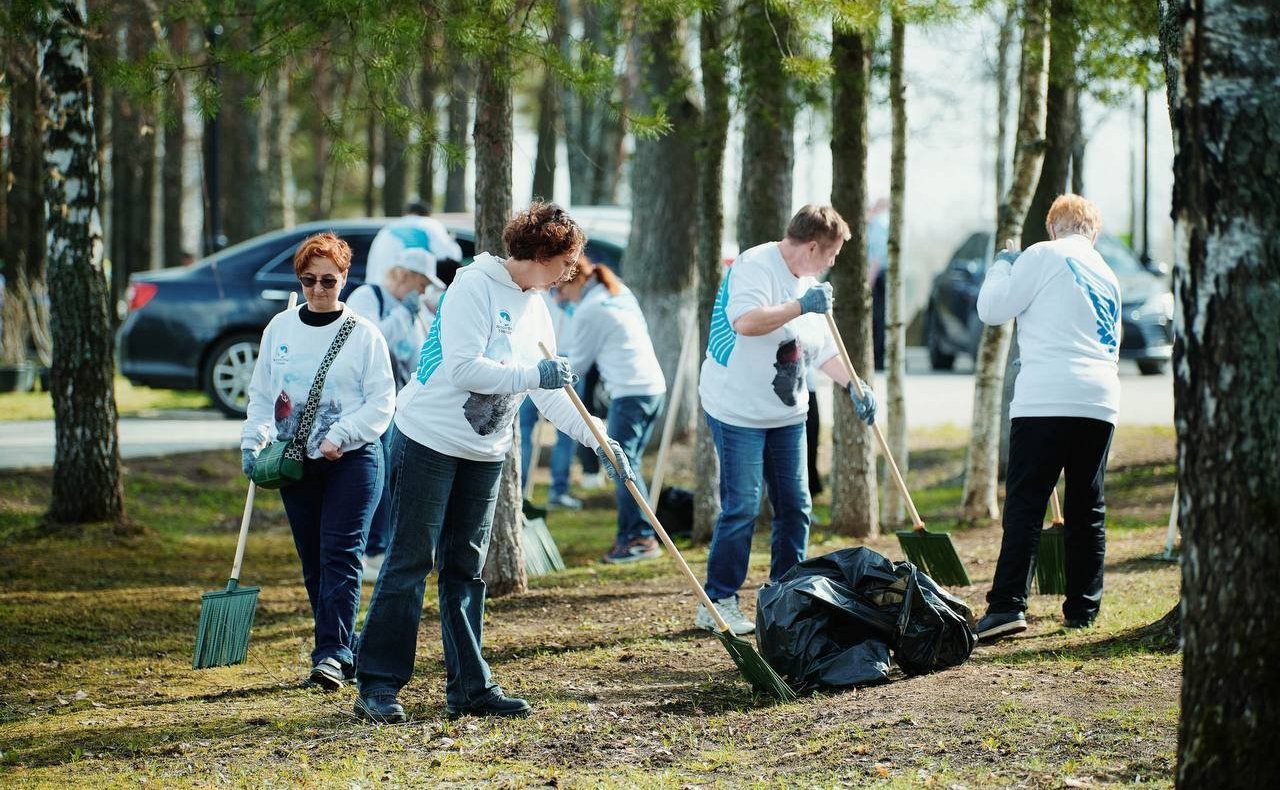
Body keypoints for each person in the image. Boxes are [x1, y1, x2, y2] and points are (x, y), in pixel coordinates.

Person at [353, 203, 633, 724]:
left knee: (466, 568)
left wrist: (601, 440)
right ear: (542, 252)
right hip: (428, 439)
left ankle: (470, 687)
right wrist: (533, 374)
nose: (570, 272)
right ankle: (378, 684)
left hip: (484, 453)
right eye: (566, 261)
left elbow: (552, 396)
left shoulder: (538, 306)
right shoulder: (473, 286)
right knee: (410, 562)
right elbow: (463, 368)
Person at [696, 205, 877, 635]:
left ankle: (786, 596)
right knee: (741, 506)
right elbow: (744, 322)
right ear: (813, 246)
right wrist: (799, 306)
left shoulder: (809, 283)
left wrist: (853, 385)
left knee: (796, 505)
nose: (833, 262)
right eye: (832, 253)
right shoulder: (755, 265)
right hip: (736, 408)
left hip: (787, 413)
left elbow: (823, 351)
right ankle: (718, 602)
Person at [240, 232, 396, 689]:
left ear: (345, 279)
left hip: (353, 457)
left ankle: (329, 653)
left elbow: (383, 402)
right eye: (309, 280)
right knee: (312, 558)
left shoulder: (364, 335)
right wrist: (253, 442)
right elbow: (263, 396)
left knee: (341, 552)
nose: (318, 289)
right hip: (295, 459)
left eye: (328, 280)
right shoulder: (280, 329)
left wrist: (342, 434)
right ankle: (340, 647)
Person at [974, 195, 1121, 641]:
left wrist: (1003, 265)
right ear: (1092, 232)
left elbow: (992, 309)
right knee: (1087, 505)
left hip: (1044, 399)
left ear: (1053, 227)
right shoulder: (1108, 274)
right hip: (1098, 401)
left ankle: (1007, 606)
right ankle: (1083, 607)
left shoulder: (1040, 255)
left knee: (1026, 503)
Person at [555, 256, 667, 563]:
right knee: (629, 464)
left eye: (560, 291)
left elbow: (576, 365)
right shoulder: (618, 291)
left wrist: (542, 373)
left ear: (573, 280)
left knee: (622, 466)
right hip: (653, 387)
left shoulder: (590, 311)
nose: (560, 298)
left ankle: (640, 538)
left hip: (631, 392)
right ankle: (633, 534)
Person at [345, 247, 442, 580]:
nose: (422, 290)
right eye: (419, 282)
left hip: (402, 406)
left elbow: (420, 353)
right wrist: (404, 313)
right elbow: (369, 344)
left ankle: (385, 547)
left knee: (396, 478)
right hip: (368, 405)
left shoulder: (411, 307)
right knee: (377, 477)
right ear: (403, 275)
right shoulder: (367, 296)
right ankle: (373, 552)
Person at [518, 291, 581, 510]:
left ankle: (559, 490)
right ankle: (521, 489)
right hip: (536, 363)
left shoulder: (579, 301)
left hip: (565, 364)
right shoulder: (538, 294)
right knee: (523, 428)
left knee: (566, 431)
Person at [365, 200, 463, 287]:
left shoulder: (387, 229)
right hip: (408, 289)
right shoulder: (430, 225)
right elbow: (453, 258)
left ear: (405, 213)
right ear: (428, 214)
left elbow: (372, 266)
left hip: (379, 288)